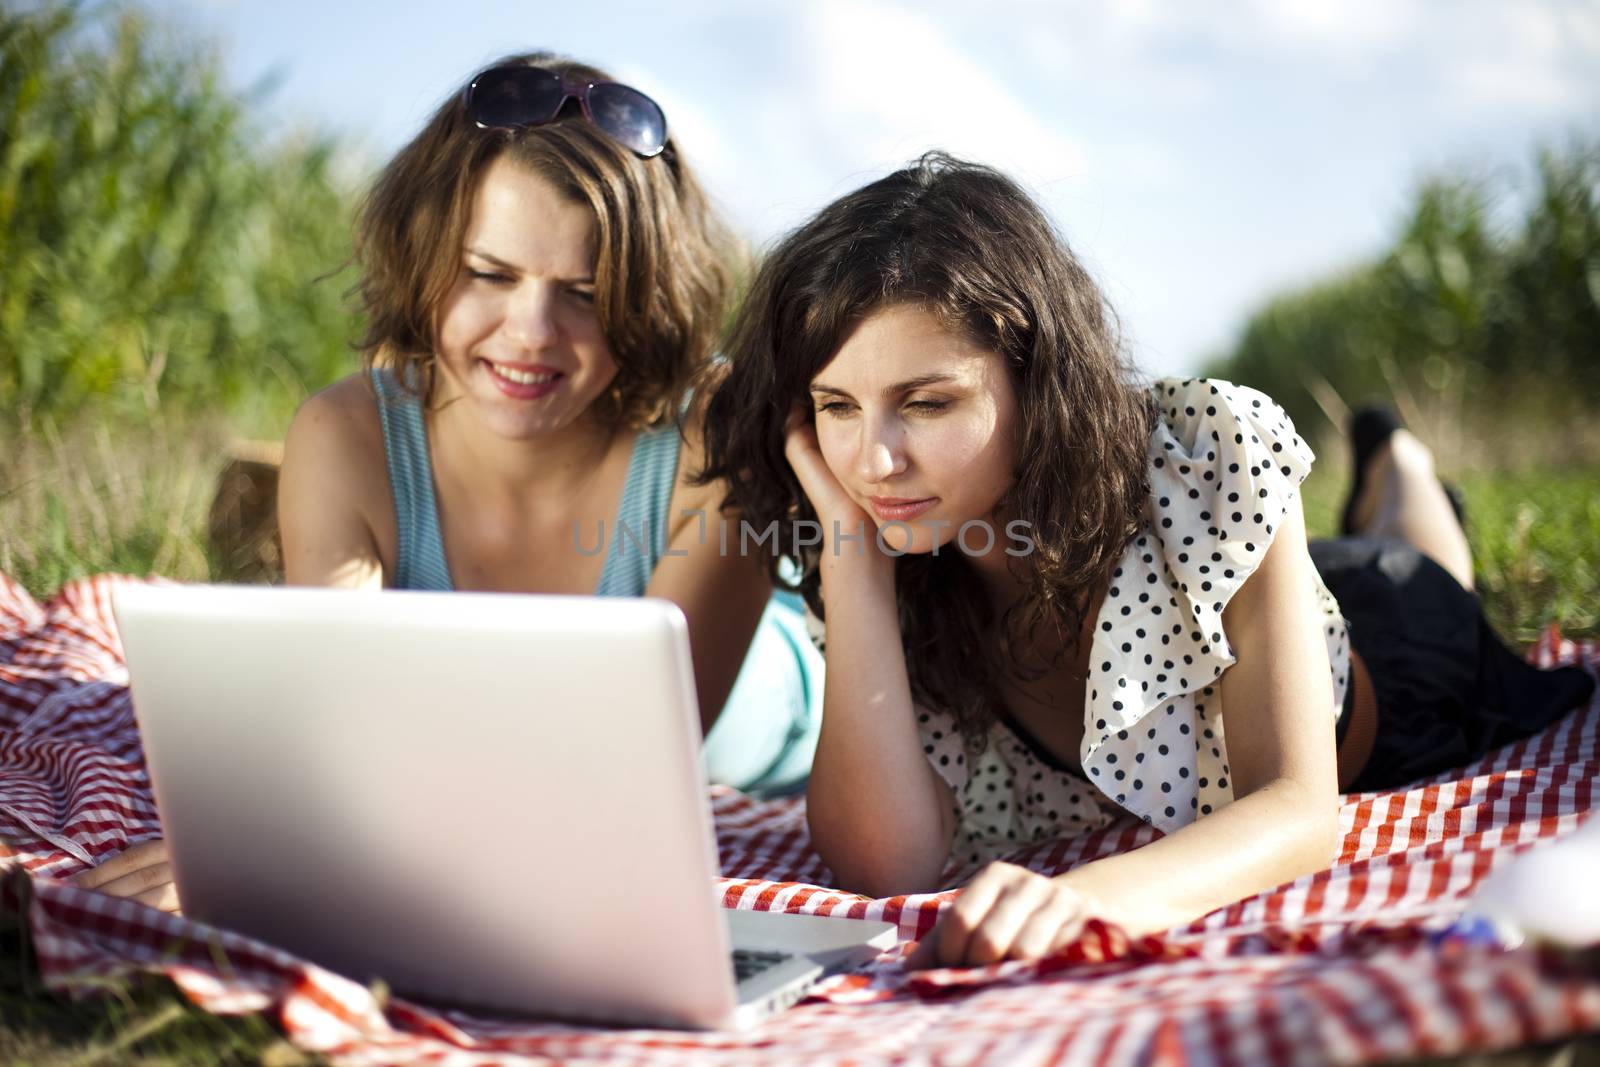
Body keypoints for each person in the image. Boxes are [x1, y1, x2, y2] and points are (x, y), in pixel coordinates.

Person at [697, 152, 1594, 969]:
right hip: (1254, 590)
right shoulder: (888, 539)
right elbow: (882, 859)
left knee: (1423, 562)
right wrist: (852, 560)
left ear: (1033, 372)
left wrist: (1083, 898)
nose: (874, 460)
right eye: (837, 406)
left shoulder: (1207, 451)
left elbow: (1296, 806)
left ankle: (1402, 463)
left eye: (926, 403)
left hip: (1392, 665)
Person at [71, 53, 822, 913]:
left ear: (644, 298)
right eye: (490, 275)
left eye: (585, 292)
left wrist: (311, 848)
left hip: (764, 714)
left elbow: (623, 771)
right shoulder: (346, 431)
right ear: (425, 259)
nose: (531, 332)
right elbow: (343, 731)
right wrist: (264, 838)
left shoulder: (711, 435)